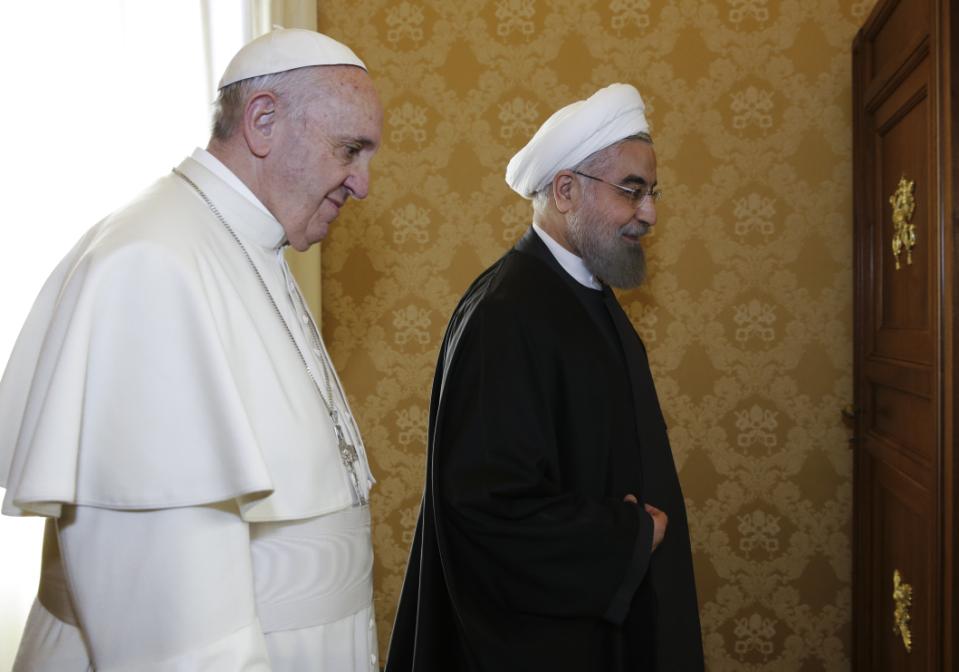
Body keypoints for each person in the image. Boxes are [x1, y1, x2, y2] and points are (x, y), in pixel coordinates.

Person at [0, 28, 383, 671]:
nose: (364, 184)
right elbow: (170, 628)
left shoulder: (243, 242)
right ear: (263, 121)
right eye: (350, 150)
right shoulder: (152, 262)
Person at [385, 83, 704, 671]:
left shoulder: (585, 293)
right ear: (565, 191)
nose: (651, 213)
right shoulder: (508, 313)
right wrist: (626, 535)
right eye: (632, 191)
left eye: (653, 192)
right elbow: (485, 507)